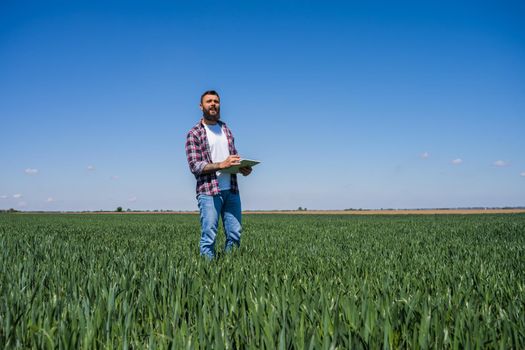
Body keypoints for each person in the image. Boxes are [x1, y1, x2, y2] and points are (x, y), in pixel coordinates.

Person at [185, 90, 252, 259]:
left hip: (232, 190)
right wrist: (221, 165)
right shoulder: (194, 133)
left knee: (235, 234)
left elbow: (232, 157)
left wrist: (242, 168)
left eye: (216, 101)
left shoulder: (226, 130)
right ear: (201, 106)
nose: (213, 104)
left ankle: (230, 271)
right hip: (209, 192)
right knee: (209, 237)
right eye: (209, 101)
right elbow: (195, 166)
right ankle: (208, 276)